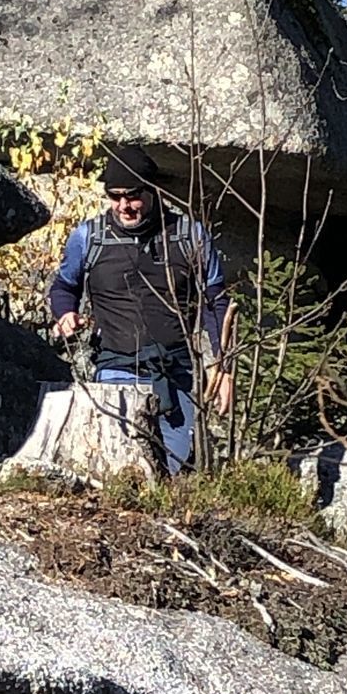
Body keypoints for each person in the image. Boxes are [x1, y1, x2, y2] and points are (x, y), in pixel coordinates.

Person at [48, 145, 233, 474]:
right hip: (114, 371)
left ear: (153, 191)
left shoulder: (189, 236)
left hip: (174, 373)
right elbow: (64, 286)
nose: (123, 206)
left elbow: (215, 302)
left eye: (132, 196)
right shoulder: (88, 237)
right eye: (115, 196)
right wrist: (65, 313)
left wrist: (223, 365)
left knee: (171, 470)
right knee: (120, 470)